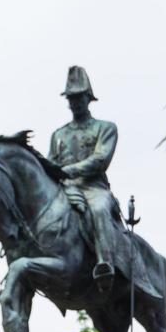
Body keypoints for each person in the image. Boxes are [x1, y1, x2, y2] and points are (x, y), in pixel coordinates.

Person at [48, 66, 120, 293]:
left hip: (93, 188)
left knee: (99, 209)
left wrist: (68, 170)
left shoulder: (105, 128)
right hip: (65, 189)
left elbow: (101, 159)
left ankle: (105, 263)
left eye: (79, 97)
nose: (75, 102)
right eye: (71, 98)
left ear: (89, 98)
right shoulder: (58, 134)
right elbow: (50, 164)